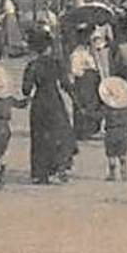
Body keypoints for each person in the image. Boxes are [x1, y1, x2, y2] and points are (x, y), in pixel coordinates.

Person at [22, 29, 75, 184]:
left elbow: (26, 89)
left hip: (39, 103)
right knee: (60, 134)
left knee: (40, 138)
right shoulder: (56, 63)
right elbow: (66, 85)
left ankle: (40, 174)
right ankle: (61, 168)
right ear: (48, 47)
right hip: (55, 101)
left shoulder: (32, 66)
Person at [69, 24, 104, 140]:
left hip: (93, 79)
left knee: (94, 103)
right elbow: (75, 70)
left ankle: (93, 128)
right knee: (84, 103)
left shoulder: (91, 51)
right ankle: (82, 131)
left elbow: (98, 64)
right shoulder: (77, 52)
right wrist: (85, 69)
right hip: (84, 80)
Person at [99, 75, 127, 182]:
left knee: (111, 154)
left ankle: (112, 174)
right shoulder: (126, 110)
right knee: (122, 154)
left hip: (110, 132)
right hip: (122, 132)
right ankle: (124, 173)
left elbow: (98, 115)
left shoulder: (108, 110)